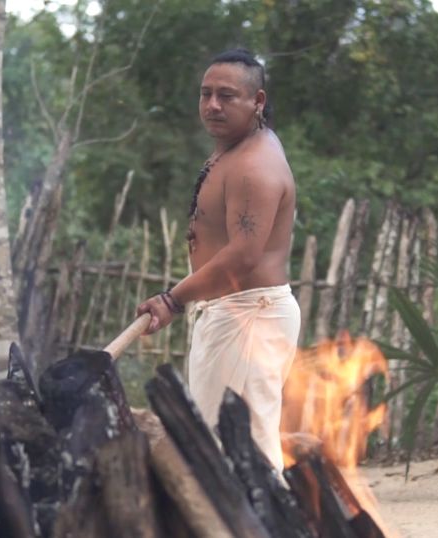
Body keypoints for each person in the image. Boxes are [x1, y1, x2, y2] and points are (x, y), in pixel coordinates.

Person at [136, 48, 299, 471]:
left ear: (257, 101)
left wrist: (173, 300)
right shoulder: (238, 147)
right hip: (233, 314)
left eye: (227, 96)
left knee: (245, 457)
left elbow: (242, 257)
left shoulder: (253, 165)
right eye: (205, 94)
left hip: (249, 318)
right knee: (223, 450)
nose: (212, 105)